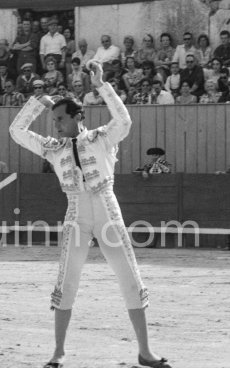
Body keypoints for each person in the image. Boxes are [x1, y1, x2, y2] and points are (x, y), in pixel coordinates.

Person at [9, 60, 171, 368]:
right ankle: (58, 352)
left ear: (77, 116)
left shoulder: (100, 138)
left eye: (59, 118)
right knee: (67, 282)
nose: (54, 124)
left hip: (108, 211)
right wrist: (37, 103)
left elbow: (124, 121)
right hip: (76, 216)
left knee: (130, 279)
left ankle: (145, 352)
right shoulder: (53, 148)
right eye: (53, 118)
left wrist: (102, 85)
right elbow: (16, 131)